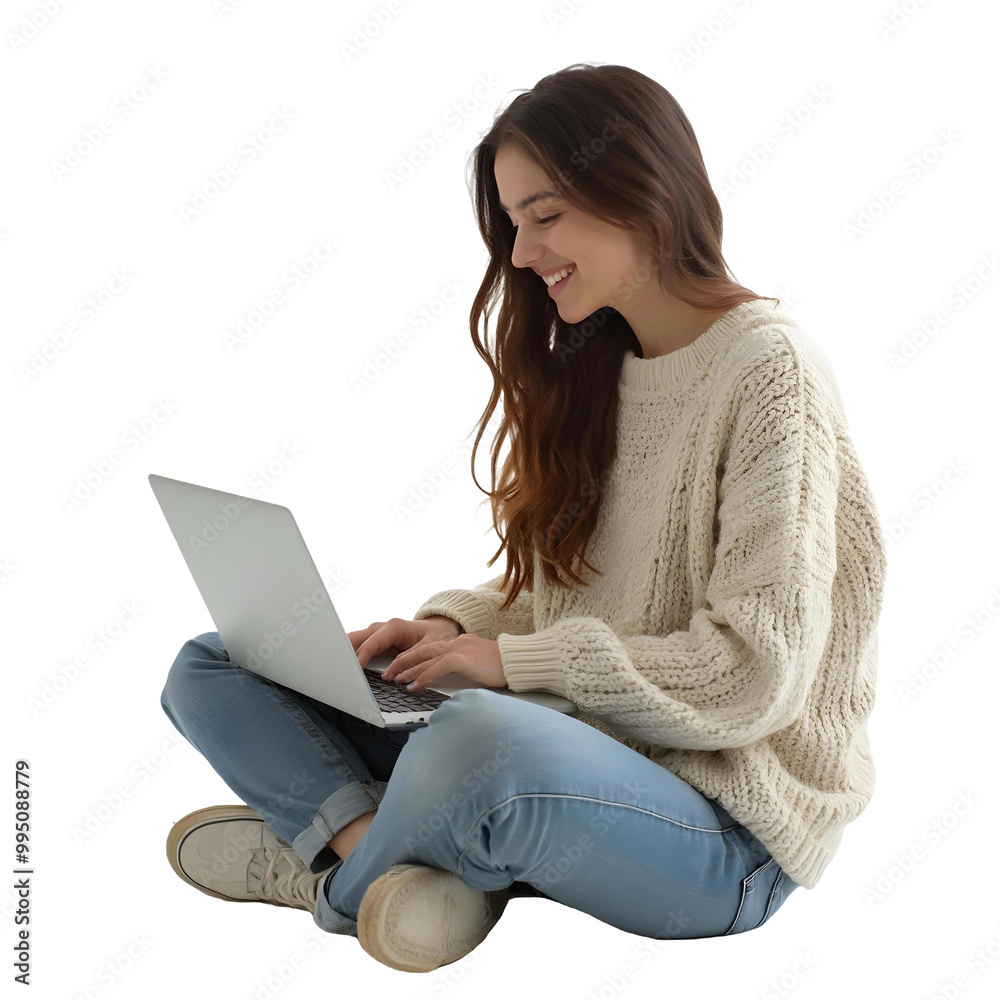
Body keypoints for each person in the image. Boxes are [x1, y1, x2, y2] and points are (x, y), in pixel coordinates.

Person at [159, 62, 887, 974]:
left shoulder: (770, 375)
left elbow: (753, 674)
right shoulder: (599, 365)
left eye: (545, 216)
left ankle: (331, 875)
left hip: (720, 839)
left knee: (476, 737)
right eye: (512, 224)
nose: (521, 252)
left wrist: (508, 666)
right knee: (217, 662)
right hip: (572, 761)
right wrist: (451, 629)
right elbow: (569, 599)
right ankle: (380, 850)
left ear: (648, 191)